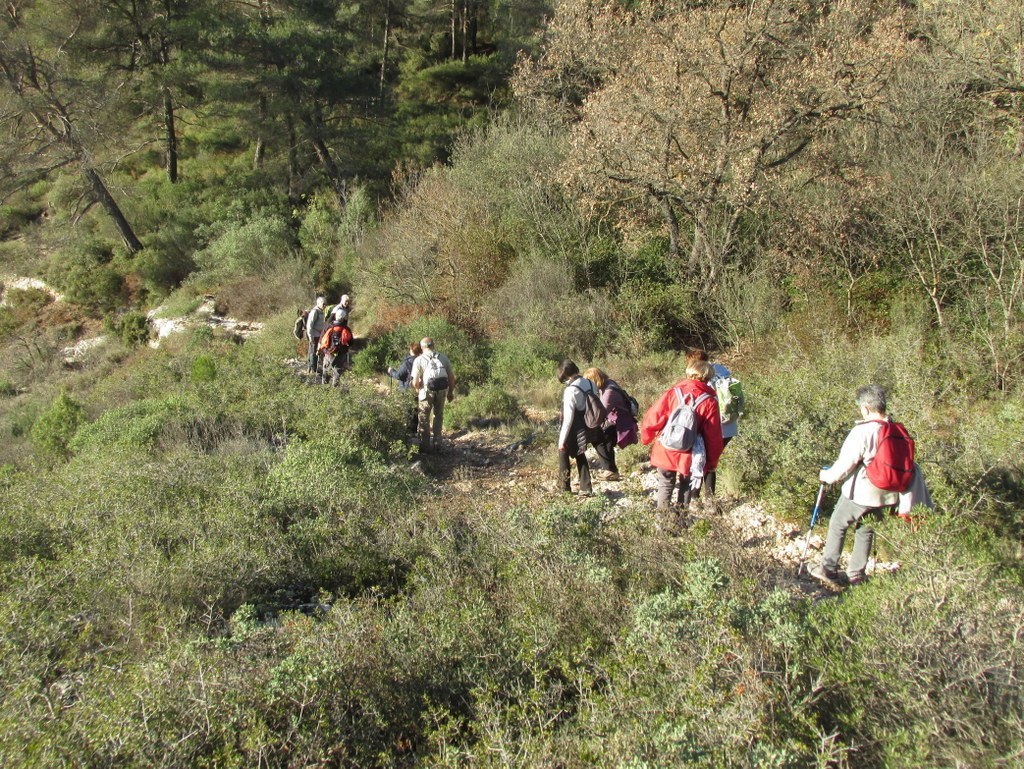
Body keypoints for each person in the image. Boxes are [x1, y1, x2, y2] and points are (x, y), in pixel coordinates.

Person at [810, 384, 904, 586]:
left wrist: (827, 477)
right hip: (888, 493)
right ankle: (856, 575)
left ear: (866, 408)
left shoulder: (863, 431)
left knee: (838, 523)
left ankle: (828, 568)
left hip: (862, 491)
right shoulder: (895, 429)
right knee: (866, 529)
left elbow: (847, 463)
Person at [640, 359, 724, 516]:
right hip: (689, 452)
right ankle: (680, 522)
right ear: (708, 378)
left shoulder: (674, 392)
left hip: (666, 447)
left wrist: (646, 438)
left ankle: (662, 522)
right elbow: (713, 436)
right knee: (686, 485)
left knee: (665, 484)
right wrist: (712, 461)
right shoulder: (710, 401)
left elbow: (653, 417)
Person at [687, 349, 743, 496]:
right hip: (729, 426)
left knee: (701, 460)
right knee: (711, 461)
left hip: (713, 426)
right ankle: (710, 499)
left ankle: (695, 497)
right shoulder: (722, 370)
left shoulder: (703, 377)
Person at [583, 367, 638, 481]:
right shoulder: (608, 384)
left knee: (600, 438)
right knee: (603, 438)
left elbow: (600, 415)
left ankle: (611, 471)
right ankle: (611, 470)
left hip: (621, 424)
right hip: (619, 420)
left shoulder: (609, 392)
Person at [410, 337, 456, 452]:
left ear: (422, 347)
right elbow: (451, 377)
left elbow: (415, 382)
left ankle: (425, 446)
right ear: (433, 345)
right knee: (438, 415)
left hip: (426, 392)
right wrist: (450, 392)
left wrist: (417, 388)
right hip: (441, 391)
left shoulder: (419, 360)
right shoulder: (443, 358)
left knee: (424, 417)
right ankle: (437, 443)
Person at [556, 360, 595, 496]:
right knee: (580, 452)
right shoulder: (590, 383)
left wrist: (561, 441)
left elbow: (568, 418)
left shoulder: (570, 391)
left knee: (563, 452)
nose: (565, 382)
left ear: (567, 376)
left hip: (574, 426)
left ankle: (564, 486)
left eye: (564, 379)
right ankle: (586, 487)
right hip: (588, 423)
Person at [388, 342, 422, 433]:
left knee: (407, 411)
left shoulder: (407, 362)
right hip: (418, 389)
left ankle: (407, 432)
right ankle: (414, 431)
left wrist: (391, 371)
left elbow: (399, 375)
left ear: (411, 350)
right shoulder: (422, 360)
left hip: (406, 389)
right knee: (415, 411)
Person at [318, 316, 352, 386]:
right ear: (343, 318)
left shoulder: (329, 327)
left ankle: (324, 386)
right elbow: (351, 342)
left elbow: (321, 339)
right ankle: (335, 388)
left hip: (328, 353)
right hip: (341, 353)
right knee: (337, 370)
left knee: (326, 369)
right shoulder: (346, 328)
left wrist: (319, 349)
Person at [305, 296, 327, 376]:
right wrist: (310, 337)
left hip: (319, 335)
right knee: (313, 352)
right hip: (314, 335)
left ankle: (312, 368)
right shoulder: (315, 312)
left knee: (315, 351)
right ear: (318, 303)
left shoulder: (321, 311)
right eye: (323, 304)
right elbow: (309, 326)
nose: (325, 305)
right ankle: (313, 370)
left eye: (325, 304)